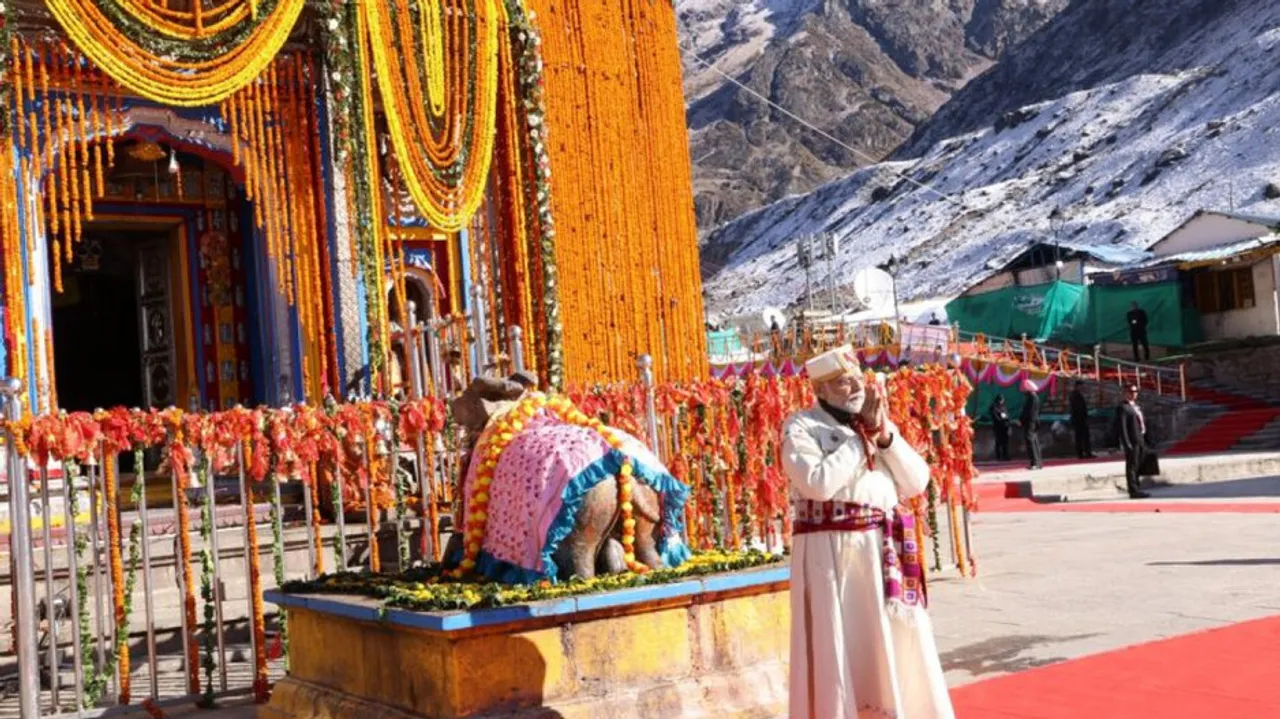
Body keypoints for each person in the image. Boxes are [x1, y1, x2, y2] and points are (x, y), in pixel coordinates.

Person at [782, 345, 954, 719]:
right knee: (843, 645)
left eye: (858, 379)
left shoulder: (875, 424)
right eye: (844, 383)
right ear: (822, 391)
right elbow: (818, 484)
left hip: (883, 553)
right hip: (835, 558)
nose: (855, 388)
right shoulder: (801, 427)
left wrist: (884, 437)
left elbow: (917, 481)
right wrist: (862, 440)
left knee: (894, 644)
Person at [1116, 383, 1151, 499]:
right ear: (1125, 393)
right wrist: (1126, 443)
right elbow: (1122, 427)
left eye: (1136, 392)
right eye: (1131, 391)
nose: (1134, 394)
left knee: (1138, 465)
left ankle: (1137, 487)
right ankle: (1133, 490)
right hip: (1132, 440)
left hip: (1140, 438)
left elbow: (1142, 423)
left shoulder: (1136, 406)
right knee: (1132, 466)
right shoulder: (1123, 407)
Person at [1019, 379, 1043, 469]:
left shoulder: (1031, 398)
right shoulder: (1036, 397)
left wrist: (1021, 420)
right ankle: (1038, 462)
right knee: (1035, 441)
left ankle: (1035, 463)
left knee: (1031, 442)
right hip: (1034, 421)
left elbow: (1028, 412)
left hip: (1030, 422)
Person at [1069, 381, 1095, 459]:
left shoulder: (1077, 395)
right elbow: (1078, 409)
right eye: (1082, 386)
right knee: (1081, 437)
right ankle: (1083, 453)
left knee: (1082, 436)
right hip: (1079, 419)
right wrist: (1084, 417)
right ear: (1078, 386)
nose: (1083, 388)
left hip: (1080, 419)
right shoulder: (1075, 395)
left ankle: (1085, 452)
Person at [989, 395, 1011, 461]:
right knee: (999, 442)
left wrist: (1006, 420)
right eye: (1001, 400)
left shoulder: (1003, 407)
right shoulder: (994, 407)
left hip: (1005, 427)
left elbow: (1007, 415)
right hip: (998, 427)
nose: (1001, 401)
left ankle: (1005, 456)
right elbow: (995, 417)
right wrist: (1001, 420)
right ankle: (998, 456)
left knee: (1005, 442)